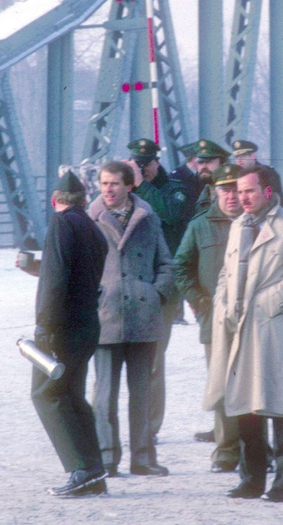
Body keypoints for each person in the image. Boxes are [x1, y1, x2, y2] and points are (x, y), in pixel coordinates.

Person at [205, 164, 283, 502]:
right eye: (239, 192)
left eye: (249, 191)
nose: (242, 198)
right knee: (245, 406)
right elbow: (227, 271)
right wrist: (223, 302)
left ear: (268, 191)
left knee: (280, 404)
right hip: (238, 327)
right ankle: (251, 479)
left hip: (274, 328)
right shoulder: (239, 225)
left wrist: (265, 304)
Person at [25, 171, 109, 497]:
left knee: (45, 394)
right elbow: (76, 274)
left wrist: (44, 328)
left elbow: (55, 281)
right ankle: (94, 472)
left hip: (61, 329)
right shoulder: (93, 229)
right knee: (72, 396)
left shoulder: (61, 225)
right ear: (85, 200)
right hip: (87, 324)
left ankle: (81, 468)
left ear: (53, 200)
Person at [88, 160, 174, 477]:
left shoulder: (148, 220)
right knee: (104, 395)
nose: (108, 190)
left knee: (142, 395)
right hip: (106, 317)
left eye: (114, 184)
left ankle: (143, 458)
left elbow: (166, 263)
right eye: (104, 184)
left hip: (143, 316)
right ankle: (107, 459)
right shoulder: (91, 222)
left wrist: (156, 293)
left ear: (129, 186)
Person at [173, 163, 244, 471]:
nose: (231, 196)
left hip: (253, 319)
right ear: (214, 192)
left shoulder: (259, 222)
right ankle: (227, 450)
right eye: (224, 189)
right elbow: (180, 266)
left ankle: (259, 449)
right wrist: (199, 301)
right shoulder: (200, 225)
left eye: (235, 189)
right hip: (214, 320)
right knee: (222, 386)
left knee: (256, 383)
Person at [124, 139, 188, 442]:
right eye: (136, 163)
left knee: (152, 358)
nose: (141, 169)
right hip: (130, 286)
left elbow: (170, 214)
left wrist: (140, 186)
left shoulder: (173, 188)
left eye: (146, 164)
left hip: (160, 289)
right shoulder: (125, 192)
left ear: (156, 162)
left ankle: (149, 427)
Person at [231, 139, 283, 206]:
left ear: (253, 156)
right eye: (237, 157)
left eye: (243, 156)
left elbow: (276, 199)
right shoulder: (235, 175)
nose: (239, 160)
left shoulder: (268, 173)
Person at [191, 139, 231, 213]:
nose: (203, 167)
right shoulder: (202, 197)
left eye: (208, 162)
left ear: (222, 164)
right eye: (200, 162)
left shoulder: (233, 195)